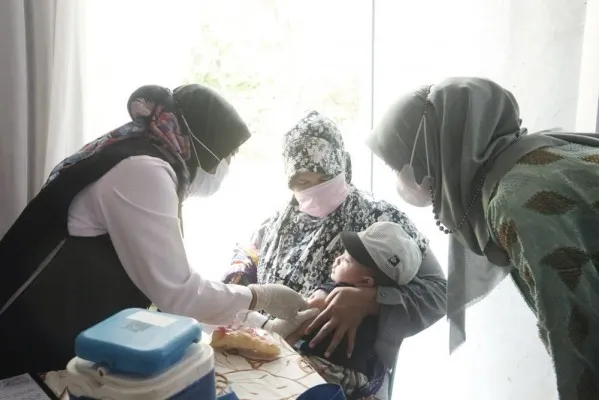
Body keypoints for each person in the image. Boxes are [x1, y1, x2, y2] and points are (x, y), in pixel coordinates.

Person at [0, 84, 309, 379]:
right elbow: (177, 292)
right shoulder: (143, 170)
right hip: (25, 330)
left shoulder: (141, 154)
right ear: (204, 144)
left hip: (56, 319)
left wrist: (250, 323)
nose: (227, 166)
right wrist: (261, 298)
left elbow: (164, 279)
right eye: (228, 155)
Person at [366, 76, 599, 400]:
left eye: (399, 165)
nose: (400, 178)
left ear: (438, 152)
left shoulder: (518, 205)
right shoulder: (537, 153)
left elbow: (582, 342)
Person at [223, 111, 447, 399]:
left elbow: (440, 292)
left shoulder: (381, 220)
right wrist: (238, 288)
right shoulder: (282, 219)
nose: (316, 188)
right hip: (272, 361)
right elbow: (248, 253)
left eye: (326, 176)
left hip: (344, 376)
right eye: (304, 181)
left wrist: (372, 300)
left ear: (343, 166)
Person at [296, 221, 422, 388]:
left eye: (347, 260)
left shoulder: (336, 294)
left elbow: (294, 320)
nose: (338, 258)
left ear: (366, 282)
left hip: (322, 370)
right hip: (357, 380)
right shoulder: (383, 311)